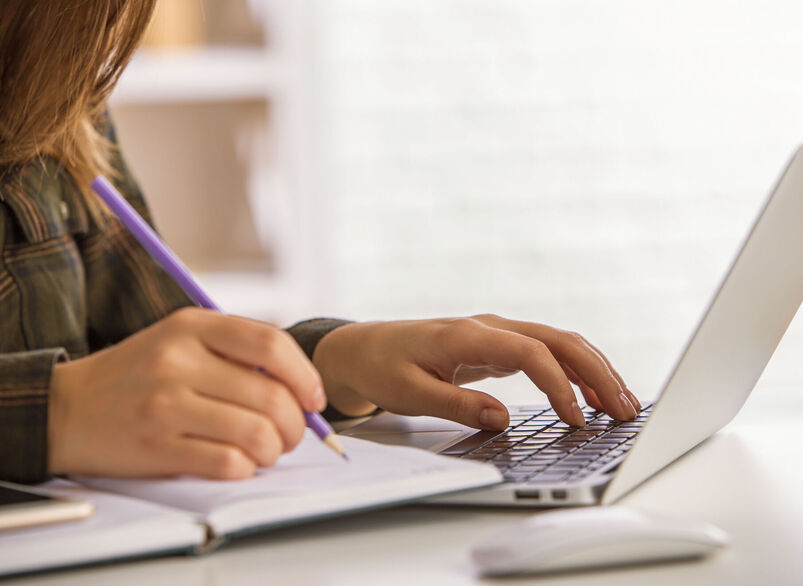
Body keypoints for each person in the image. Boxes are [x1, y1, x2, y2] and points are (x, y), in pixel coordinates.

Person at [0, 1, 640, 484]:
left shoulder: (49, 90)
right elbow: (96, 400)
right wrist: (52, 414)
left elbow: (155, 361)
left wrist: (333, 363)